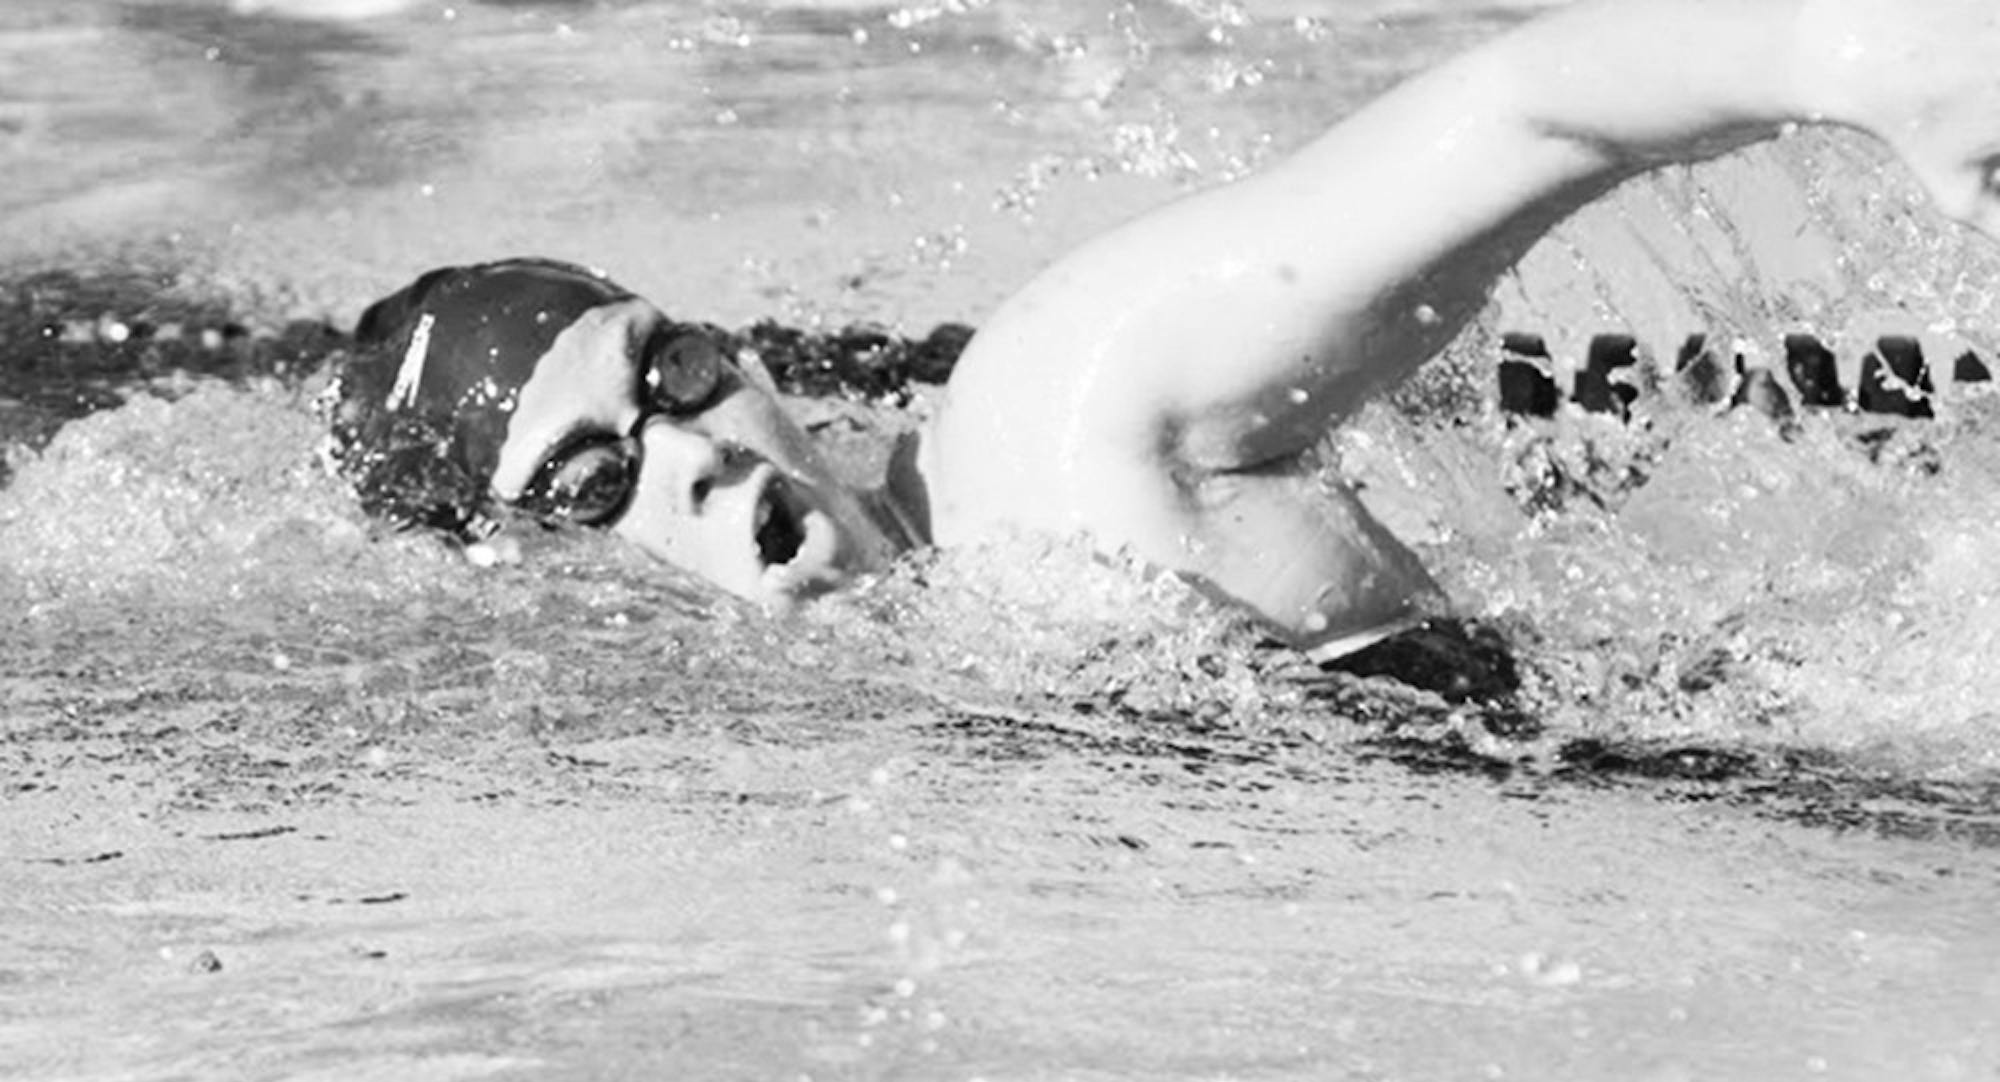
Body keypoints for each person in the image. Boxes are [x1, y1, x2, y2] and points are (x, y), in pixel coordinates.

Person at [326, 0, 2000, 660]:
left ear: (745, 359)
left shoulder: (1047, 441)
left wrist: (1853, 62)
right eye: (586, 484)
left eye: (674, 370)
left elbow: (1517, 117)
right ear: (517, 589)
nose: (694, 458)